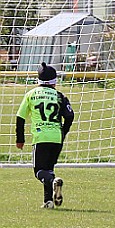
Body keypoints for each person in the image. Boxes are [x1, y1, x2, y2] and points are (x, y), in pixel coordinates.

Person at [16, 62, 74, 209]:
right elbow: (70, 116)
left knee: (39, 171)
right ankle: (48, 202)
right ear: (55, 81)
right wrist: (63, 132)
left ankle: (53, 181)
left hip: (41, 137)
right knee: (48, 169)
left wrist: (20, 139)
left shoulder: (31, 94)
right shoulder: (59, 96)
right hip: (56, 137)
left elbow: (20, 117)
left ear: (38, 80)